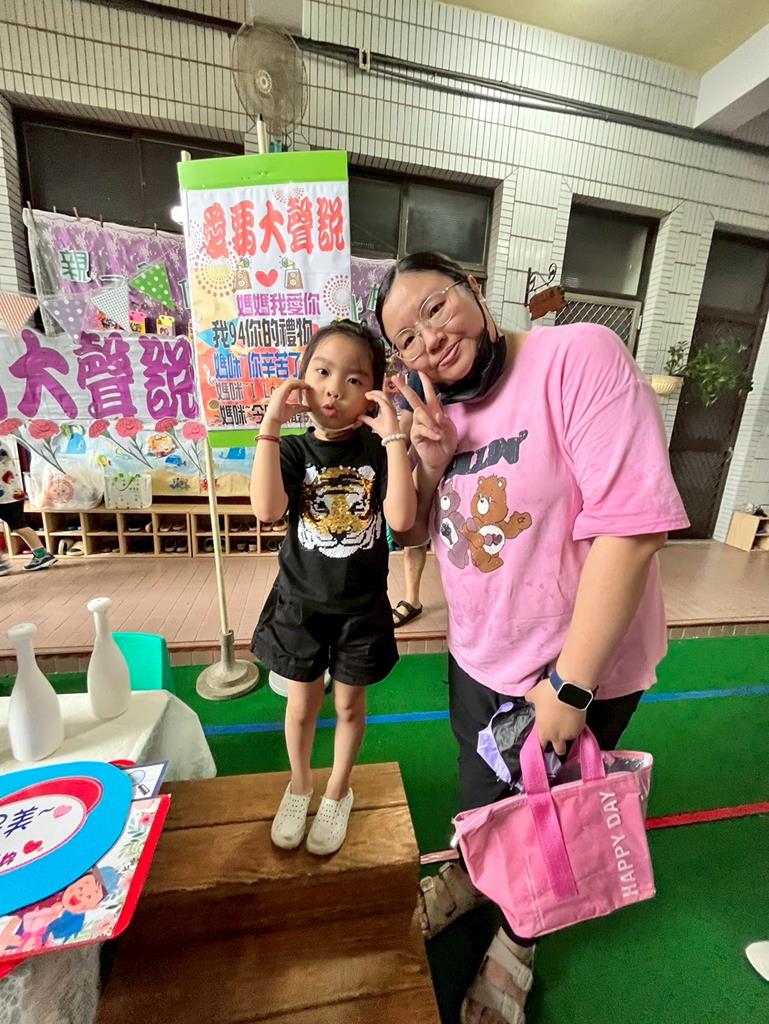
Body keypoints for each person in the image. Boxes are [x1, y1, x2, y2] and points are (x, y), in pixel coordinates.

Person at [376, 252, 689, 1024]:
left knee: (548, 820)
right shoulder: (443, 411)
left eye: (435, 307)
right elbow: (413, 529)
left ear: (475, 290)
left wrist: (569, 685)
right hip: (476, 655)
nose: (427, 339)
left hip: (570, 671)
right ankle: (472, 874)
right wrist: (427, 458)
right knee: (482, 798)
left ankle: (518, 941)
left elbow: (631, 530)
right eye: (406, 337)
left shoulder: (577, 356)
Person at [250, 320, 417, 856]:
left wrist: (395, 437)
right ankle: (300, 786)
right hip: (299, 605)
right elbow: (267, 509)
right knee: (301, 707)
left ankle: (339, 790)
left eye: (354, 379)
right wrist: (270, 425)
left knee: (347, 706)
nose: (334, 389)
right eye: (322, 372)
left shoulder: (379, 450)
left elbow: (402, 521)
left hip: (361, 608)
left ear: (373, 391)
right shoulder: (293, 451)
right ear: (302, 380)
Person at [0, 437, 56, 574]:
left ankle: (1, 565)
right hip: (14, 494)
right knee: (20, 526)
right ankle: (41, 555)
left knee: (19, 526)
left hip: (3, 496)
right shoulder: (3, 444)